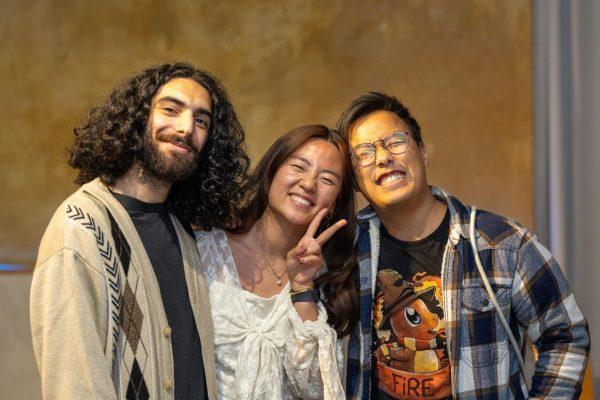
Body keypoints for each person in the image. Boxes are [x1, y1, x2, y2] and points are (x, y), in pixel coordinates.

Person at [336, 92, 591, 399]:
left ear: (422, 152)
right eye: (363, 153)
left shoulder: (502, 244)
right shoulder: (344, 251)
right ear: (355, 181)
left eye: (395, 141)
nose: (382, 157)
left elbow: (565, 334)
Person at [30, 62, 250, 399]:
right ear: (137, 118)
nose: (186, 128)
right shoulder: (81, 227)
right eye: (171, 110)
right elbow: (73, 384)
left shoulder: (182, 231)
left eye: (201, 121)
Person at [195, 124, 356, 399]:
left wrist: (303, 288)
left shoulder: (333, 282)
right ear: (272, 171)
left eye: (327, 180)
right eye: (299, 166)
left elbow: (318, 390)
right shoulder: (201, 249)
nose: (309, 184)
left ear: (335, 203)